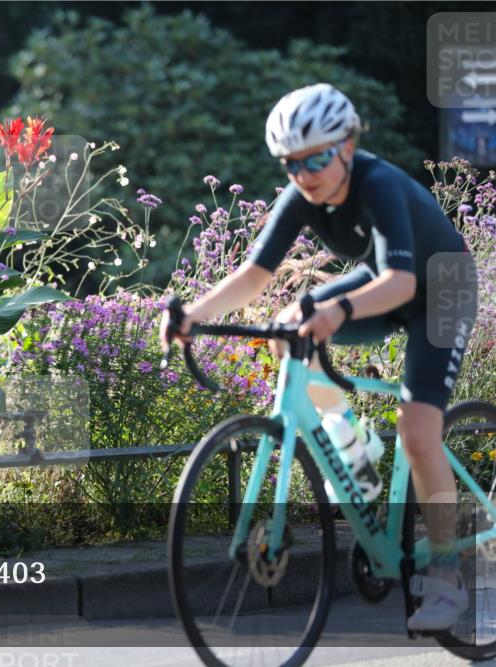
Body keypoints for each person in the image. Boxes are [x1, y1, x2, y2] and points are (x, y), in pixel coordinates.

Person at [160, 83, 477, 631]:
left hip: (440, 288)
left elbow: (399, 280)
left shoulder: (377, 185)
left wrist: (338, 311)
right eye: (291, 164)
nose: (305, 174)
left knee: (418, 432)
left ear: (348, 147)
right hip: (386, 285)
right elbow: (255, 275)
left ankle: (446, 580)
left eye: (318, 159)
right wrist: (194, 313)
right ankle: (351, 447)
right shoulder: (301, 196)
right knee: (288, 324)